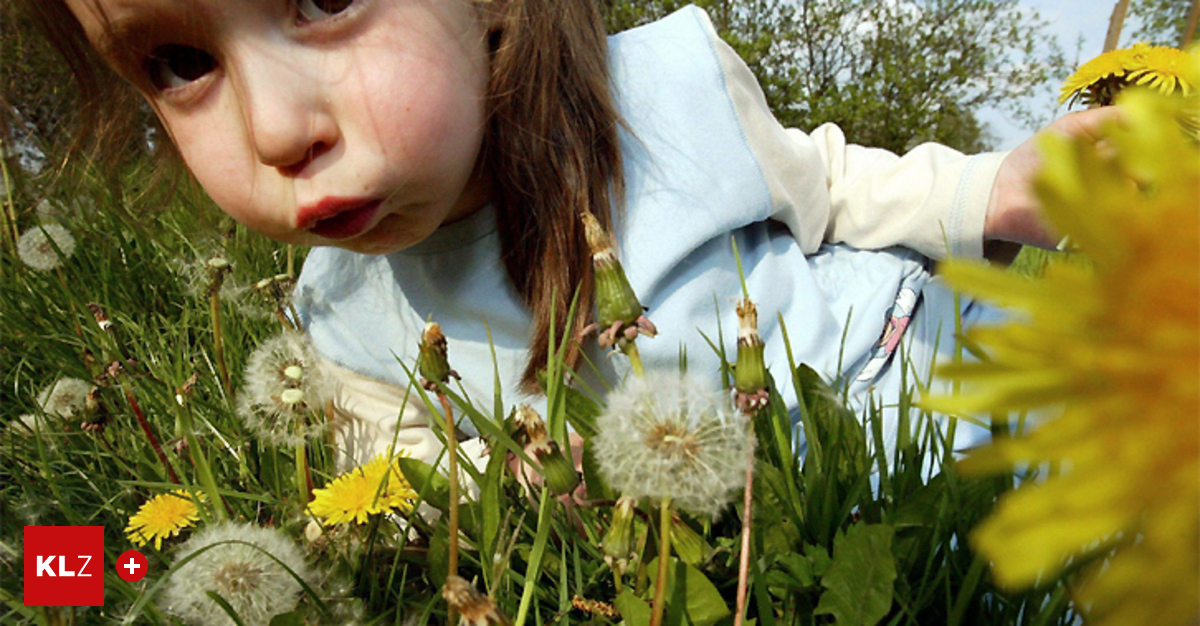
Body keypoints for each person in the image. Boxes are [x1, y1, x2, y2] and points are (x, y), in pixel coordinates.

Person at [36, 0, 1116, 471]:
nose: (274, 128)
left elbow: (829, 189)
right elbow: (424, 482)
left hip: (926, 373)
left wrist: (991, 189)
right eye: (180, 64)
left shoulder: (660, 89)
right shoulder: (341, 324)